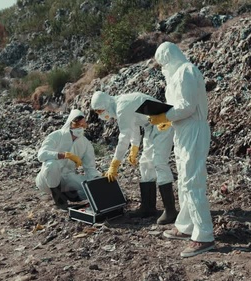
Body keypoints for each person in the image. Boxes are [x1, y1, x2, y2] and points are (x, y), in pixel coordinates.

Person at [148, 41, 215, 257]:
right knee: (185, 180)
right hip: (182, 131)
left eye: (162, 63)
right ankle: (186, 225)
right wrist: (165, 118)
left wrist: (163, 115)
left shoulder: (187, 71)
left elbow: (187, 106)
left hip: (193, 129)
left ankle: (204, 236)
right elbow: (178, 108)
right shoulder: (176, 75)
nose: (161, 67)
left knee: (192, 181)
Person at [90, 91, 178, 224]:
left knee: (159, 162)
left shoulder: (122, 106)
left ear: (106, 104)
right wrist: (134, 148)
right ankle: (148, 207)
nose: (100, 114)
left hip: (163, 124)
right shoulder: (121, 105)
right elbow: (134, 126)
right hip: (151, 126)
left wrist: (114, 164)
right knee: (145, 164)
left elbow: (124, 136)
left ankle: (170, 210)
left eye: (100, 111)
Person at [36, 109, 101, 210]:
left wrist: (98, 178)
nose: (80, 128)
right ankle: (59, 200)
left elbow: (90, 168)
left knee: (94, 187)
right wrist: (63, 155)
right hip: (47, 179)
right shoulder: (57, 135)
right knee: (52, 164)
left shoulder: (85, 144)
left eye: (83, 126)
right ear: (70, 123)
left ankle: (66, 196)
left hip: (67, 178)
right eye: (77, 125)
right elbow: (41, 155)